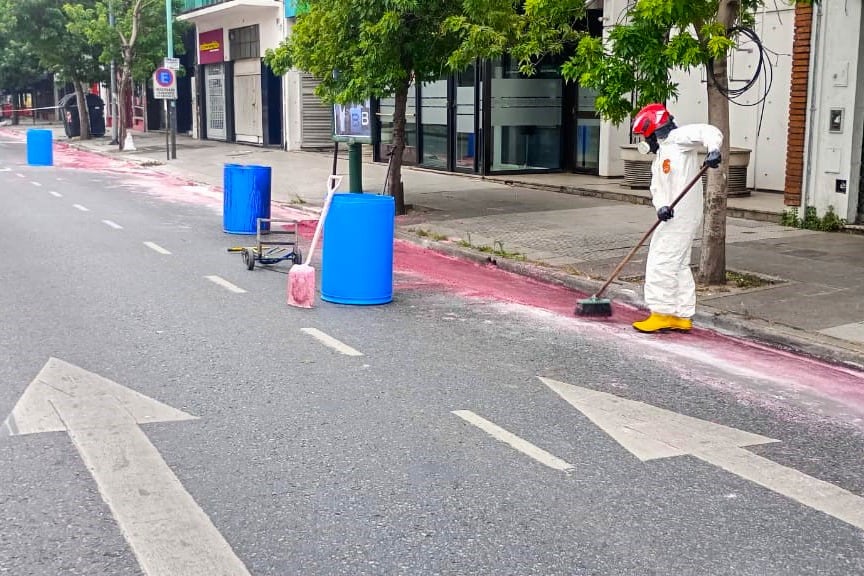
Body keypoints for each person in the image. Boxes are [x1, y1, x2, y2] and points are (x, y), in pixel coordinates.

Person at [630, 103, 723, 333]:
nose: (645, 140)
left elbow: (709, 131)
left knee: (661, 261)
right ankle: (681, 314)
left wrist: (713, 149)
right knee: (679, 263)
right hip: (672, 215)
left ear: (654, 129)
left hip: (684, 213)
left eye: (645, 135)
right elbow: (657, 188)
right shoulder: (662, 153)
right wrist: (661, 206)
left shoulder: (679, 139)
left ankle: (661, 312)